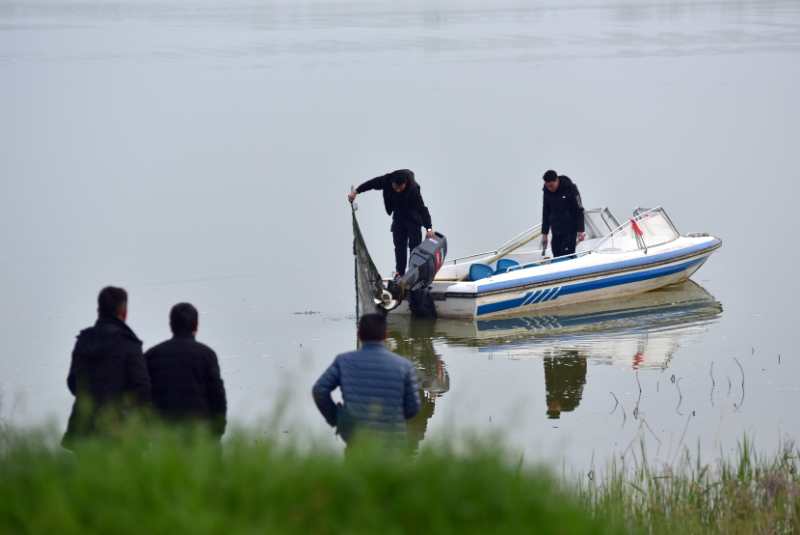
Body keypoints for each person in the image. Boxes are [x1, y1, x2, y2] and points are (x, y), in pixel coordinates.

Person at [312, 313, 421, 450]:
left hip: (356, 440)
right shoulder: (405, 366)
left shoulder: (343, 361)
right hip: (394, 443)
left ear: (359, 334)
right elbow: (413, 408)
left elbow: (319, 390)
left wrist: (336, 419)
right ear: (386, 335)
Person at [63, 286, 151, 446]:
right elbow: (142, 389)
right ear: (123, 312)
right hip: (120, 431)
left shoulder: (84, 340)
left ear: (99, 310)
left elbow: (72, 383)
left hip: (84, 428)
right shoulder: (129, 343)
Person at [144, 303, 227, 440]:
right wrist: (218, 431)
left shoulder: (152, 355)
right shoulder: (207, 355)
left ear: (171, 325)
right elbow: (218, 397)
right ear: (196, 325)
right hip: (199, 434)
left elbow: (143, 396)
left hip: (163, 434)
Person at [348, 169, 434, 277]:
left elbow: (422, 209)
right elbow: (371, 184)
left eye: (400, 187)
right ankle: (400, 272)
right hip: (398, 216)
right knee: (399, 246)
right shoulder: (387, 180)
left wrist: (429, 229)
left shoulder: (413, 190)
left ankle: (413, 270)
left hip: (413, 218)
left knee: (414, 246)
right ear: (392, 183)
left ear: (405, 184)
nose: (397, 190)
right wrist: (356, 191)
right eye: (395, 187)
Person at [540, 169, 586, 258]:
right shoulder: (547, 191)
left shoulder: (570, 188)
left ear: (557, 180)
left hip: (570, 229)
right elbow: (546, 212)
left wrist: (580, 230)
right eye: (547, 186)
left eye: (551, 186)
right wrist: (544, 234)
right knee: (556, 254)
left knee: (567, 254)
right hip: (556, 230)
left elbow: (579, 209)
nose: (550, 188)